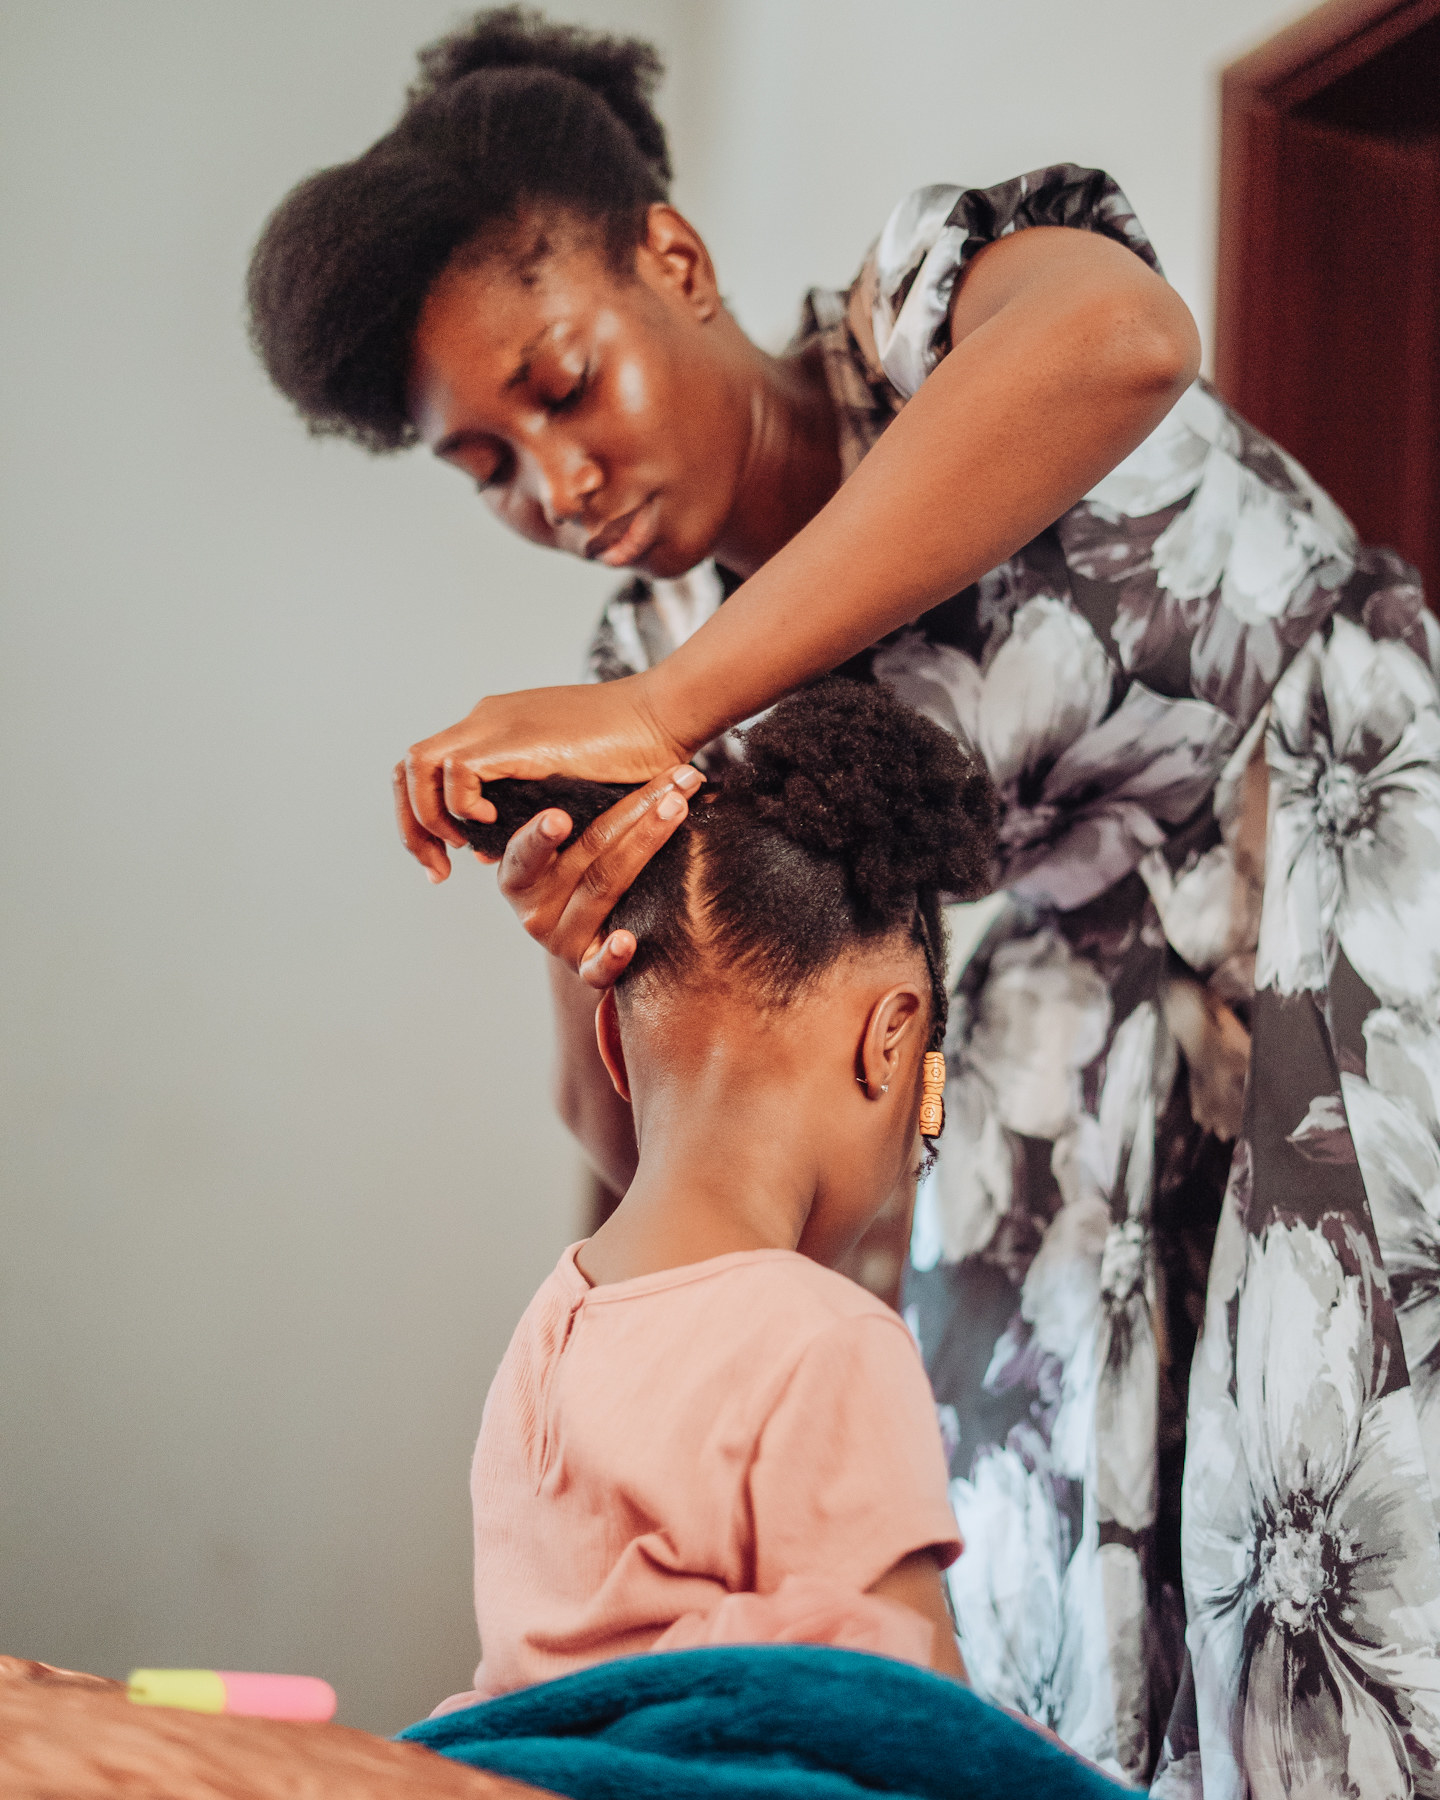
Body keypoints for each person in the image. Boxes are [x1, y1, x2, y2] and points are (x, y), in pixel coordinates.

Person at [247, 9, 1440, 1791]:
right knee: (1035, 1552)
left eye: (562, 387)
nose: (555, 487)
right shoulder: (645, 648)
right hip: (1066, 994)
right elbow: (654, 1133)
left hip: (1353, 821)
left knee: (1339, 1494)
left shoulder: (914, 305)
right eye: (487, 466)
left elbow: (1126, 340)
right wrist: (583, 943)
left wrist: (673, 713)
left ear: (674, 259)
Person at [431, 679, 992, 1709]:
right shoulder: (828, 1343)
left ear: (608, 1041)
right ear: (892, 1040)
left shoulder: (549, 1334)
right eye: (930, 1111)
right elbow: (917, 1725)